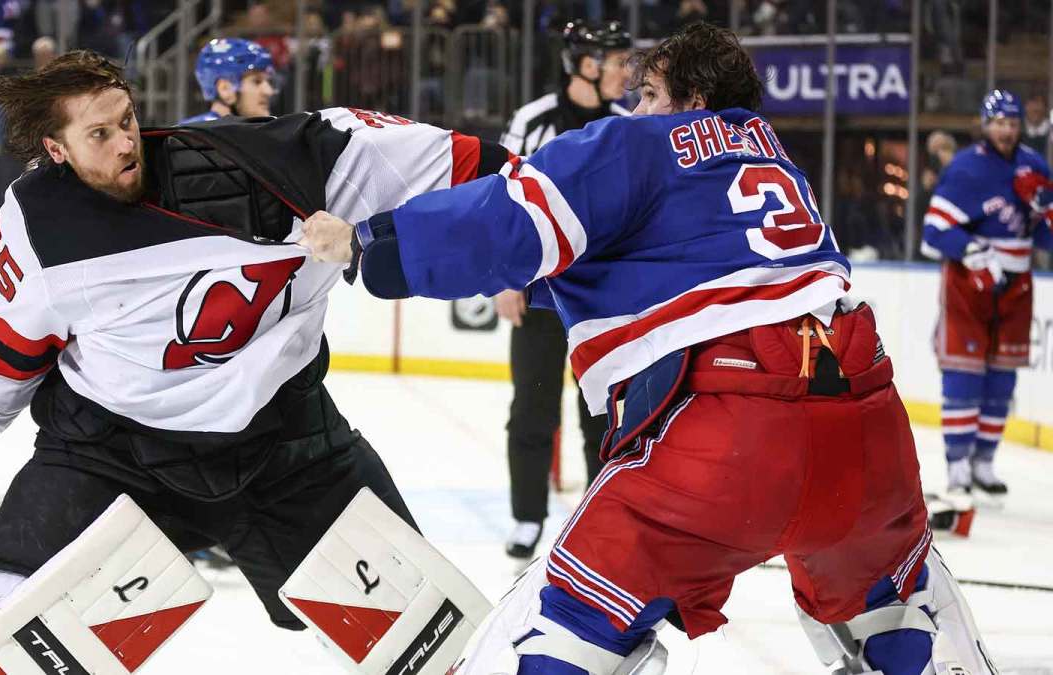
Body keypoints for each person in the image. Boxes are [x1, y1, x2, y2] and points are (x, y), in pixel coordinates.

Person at [300, 23, 994, 674]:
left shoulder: (635, 144)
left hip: (729, 441)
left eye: (651, 95)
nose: (635, 108)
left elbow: (504, 223)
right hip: (871, 436)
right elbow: (667, 272)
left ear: (692, 103)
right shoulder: (778, 162)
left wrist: (369, 243)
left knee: (556, 621)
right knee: (898, 606)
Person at [0, 49, 514, 664]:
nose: (124, 143)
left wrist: (526, 219)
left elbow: (485, 175)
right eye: (99, 134)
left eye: (128, 120)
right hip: (114, 450)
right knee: (2, 624)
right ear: (57, 150)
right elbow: (5, 334)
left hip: (288, 446)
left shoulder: (284, 163)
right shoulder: (38, 222)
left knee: (424, 637)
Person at [495, 19, 631, 561]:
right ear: (587, 64)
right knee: (531, 411)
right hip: (541, 294)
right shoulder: (534, 121)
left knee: (602, 414)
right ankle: (528, 518)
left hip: (603, 299)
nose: (627, 71)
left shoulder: (628, 123)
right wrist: (507, 277)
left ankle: (598, 518)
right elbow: (500, 197)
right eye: (618, 61)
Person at [921, 89, 1053, 499]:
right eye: (999, 123)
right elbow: (932, 233)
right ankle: (957, 464)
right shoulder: (965, 168)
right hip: (969, 284)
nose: (1007, 131)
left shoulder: (1035, 166)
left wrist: (1045, 205)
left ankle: (984, 462)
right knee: (963, 375)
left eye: (1013, 124)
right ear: (985, 123)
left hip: (1017, 286)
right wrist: (973, 250)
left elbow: (1047, 240)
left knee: (1001, 379)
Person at [180, 37, 275, 125]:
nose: (269, 91)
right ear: (224, 89)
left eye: (268, 82)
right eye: (257, 81)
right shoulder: (196, 137)